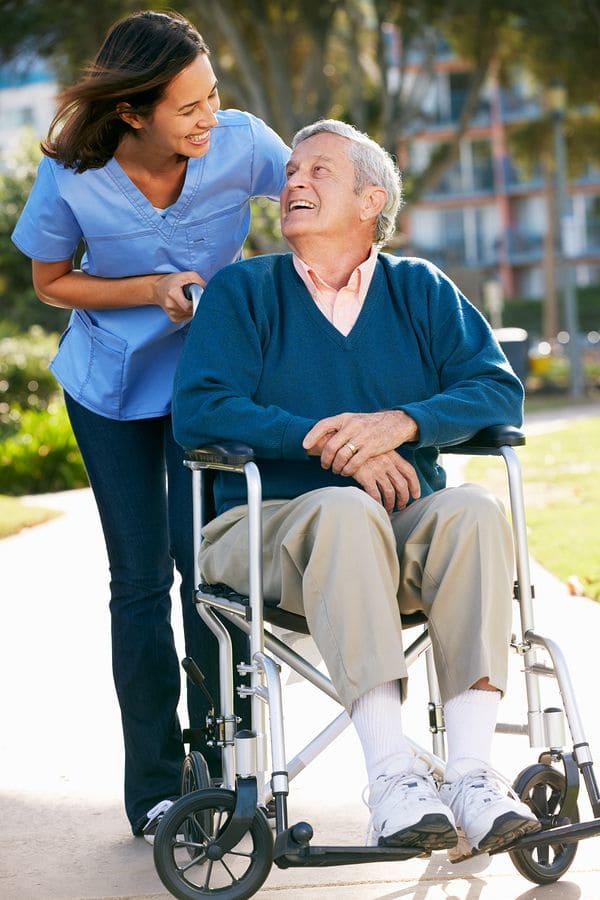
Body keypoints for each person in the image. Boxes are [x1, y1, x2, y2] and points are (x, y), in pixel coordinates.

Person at [172, 119, 542, 861]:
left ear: (372, 199)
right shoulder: (245, 292)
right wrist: (332, 442)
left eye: (319, 172)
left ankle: (469, 776)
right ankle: (394, 778)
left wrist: (403, 423)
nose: (294, 183)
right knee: (344, 507)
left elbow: (498, 392)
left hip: (398, 534)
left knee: (472, 507)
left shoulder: (420, 290)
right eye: (291, 173)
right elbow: (202, 409)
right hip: (262, 534)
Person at [11, 10, 289, 840]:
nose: (211, 118)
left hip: (206, 386)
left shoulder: (241, 143)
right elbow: (50, 280)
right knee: (139, 582)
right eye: (188, 107)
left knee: (208, 574)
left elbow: (319, 191)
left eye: (214, 96)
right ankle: (158, 790)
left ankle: (225, 764)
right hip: (110, 389)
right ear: (132, 111)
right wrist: (148, 287)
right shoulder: (73, 176)